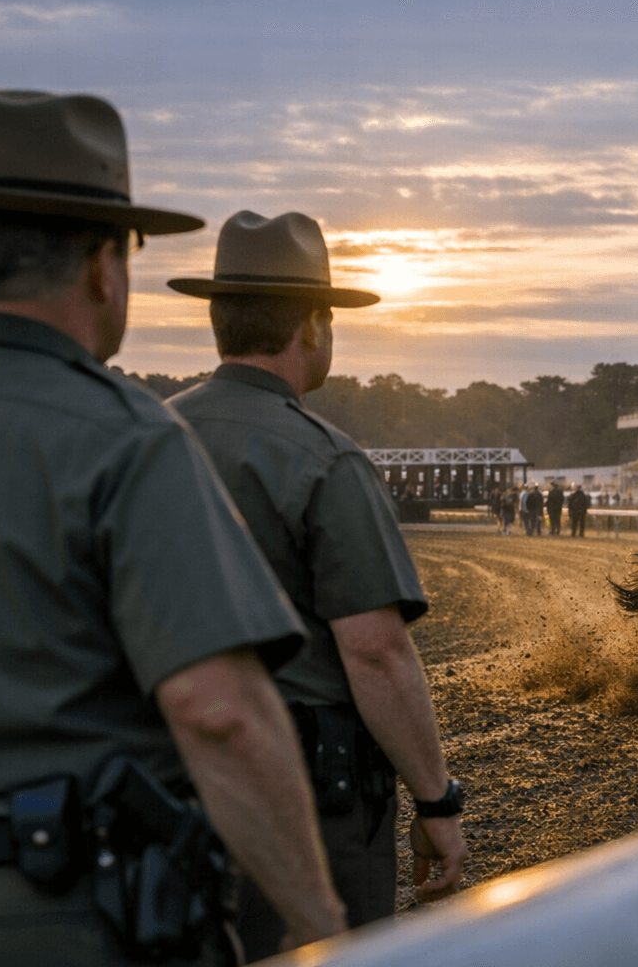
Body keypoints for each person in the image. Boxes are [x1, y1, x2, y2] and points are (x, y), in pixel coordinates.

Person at [0, 91, 344, 964]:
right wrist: (319, 925)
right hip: (62, 919)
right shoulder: (126, 437)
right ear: (106, 264)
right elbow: (219, 712)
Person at [166, 211, 467, 955]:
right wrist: (436, 799)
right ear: (314, 325)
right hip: (308, 794)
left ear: (218, 319)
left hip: (166, 777)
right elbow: (375, 653)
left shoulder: (146, 438)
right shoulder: (324, 460)